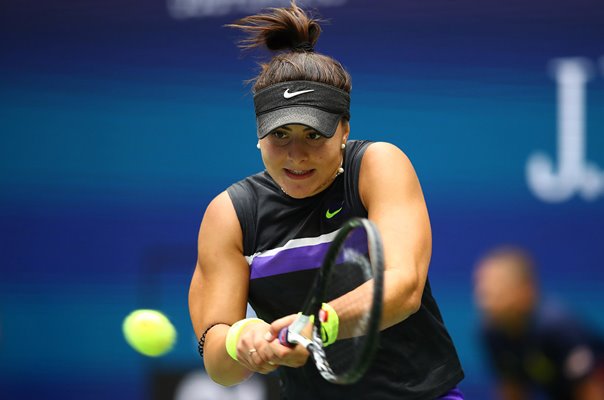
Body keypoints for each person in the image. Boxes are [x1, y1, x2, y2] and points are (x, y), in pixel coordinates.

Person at [188, 1, 464, 398]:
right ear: (259, 135)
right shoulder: (231, 213)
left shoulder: (377, 166)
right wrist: (245, 340)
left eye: (313, 134)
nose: (296, 154)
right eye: (280, 135)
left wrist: (315, 326)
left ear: (344, 130)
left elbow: (403, 288)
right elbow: (218, 362)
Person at [473, 246, 604, 400]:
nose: (484, 295)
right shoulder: (491, 332)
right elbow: (512, 388)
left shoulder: (558, 328)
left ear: (526, 290)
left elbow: (591, 391)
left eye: (496, 285)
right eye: (481, 285)